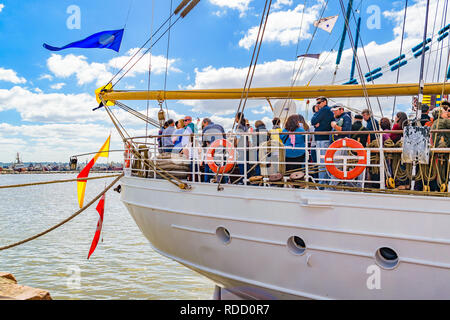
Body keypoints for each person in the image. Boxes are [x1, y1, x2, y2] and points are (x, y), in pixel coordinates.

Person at [311, 96, 334, 186]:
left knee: (322, 162)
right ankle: (326, 181)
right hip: (324, 138)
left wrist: (317, 113)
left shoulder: (324, 110)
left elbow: (313, 121)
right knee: (325, 161)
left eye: (319, 103)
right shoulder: (327, 110)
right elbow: (314, 122)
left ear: (324, 102)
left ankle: (322, 183)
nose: (317, 105)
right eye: (316, 103)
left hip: (322, 139)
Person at [202, 118, 226, 183]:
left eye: (203, 124)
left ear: (205, 123)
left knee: (207, 167)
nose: (203, 126)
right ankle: (221, 181)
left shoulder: (205, 129)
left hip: (210, 152)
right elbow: (225, 140)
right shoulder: (220, 127)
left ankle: (206, 181)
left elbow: (203, 143)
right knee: (219, 167)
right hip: (219, 151)